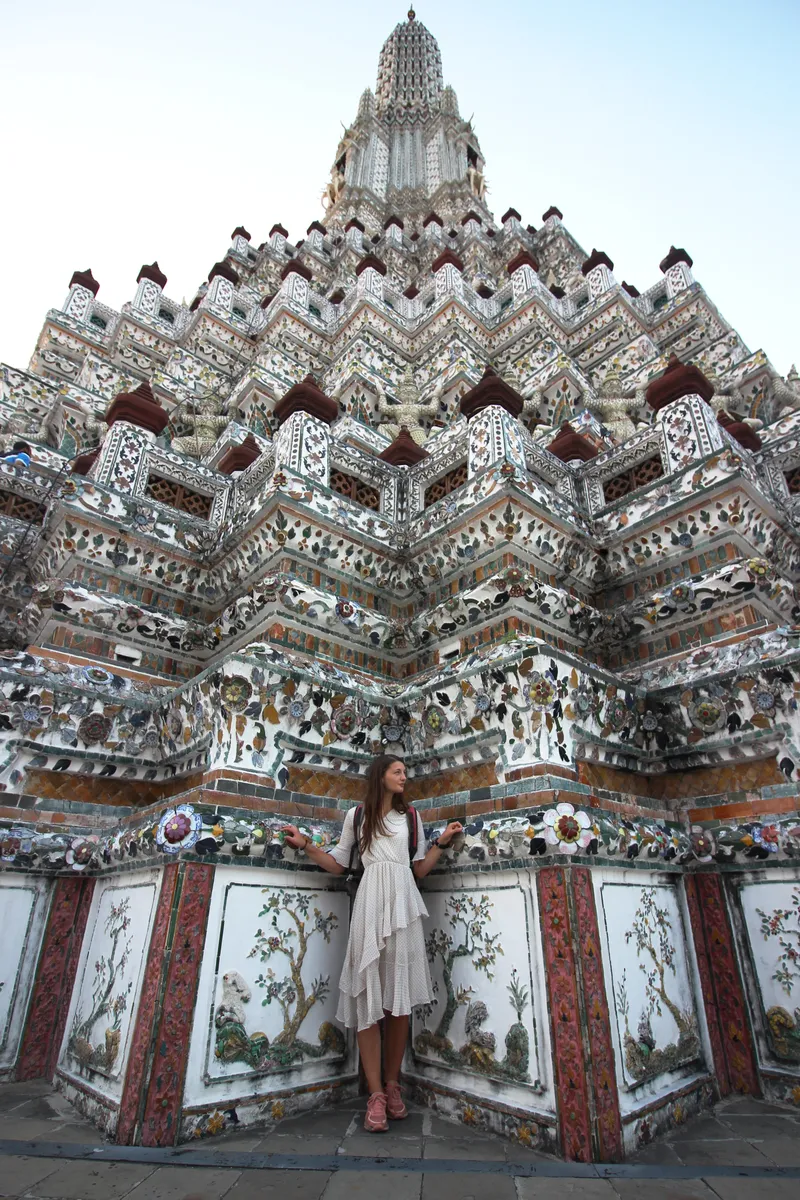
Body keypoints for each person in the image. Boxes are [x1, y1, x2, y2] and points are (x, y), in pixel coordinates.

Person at [282, 755, 463, 1132]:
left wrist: (441, 843)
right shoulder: (357, 817)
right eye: (398, 772)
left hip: (402, 906)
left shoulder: (411, 818)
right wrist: (305, 846)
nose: (404, 777)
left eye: (405, 773)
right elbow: (339, 863)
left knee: (398, 1002)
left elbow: (419, 869)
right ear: (380, 775)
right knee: (367, 997)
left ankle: (394, 1085)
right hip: (368, 905)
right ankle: (376, 1094)